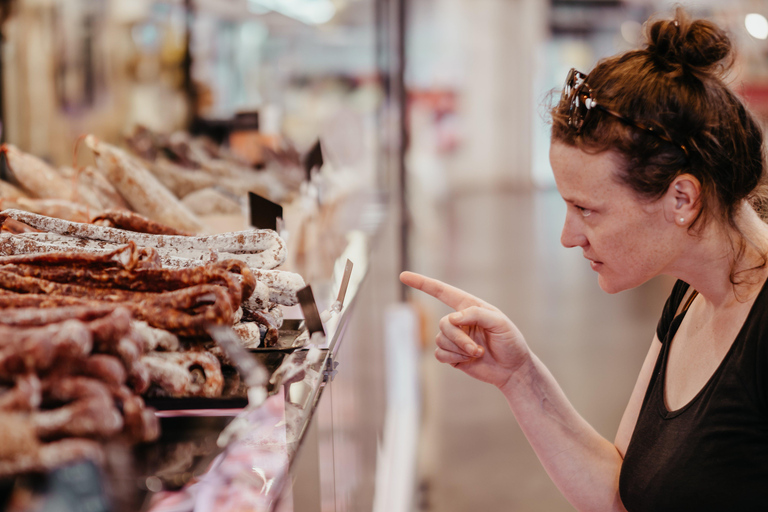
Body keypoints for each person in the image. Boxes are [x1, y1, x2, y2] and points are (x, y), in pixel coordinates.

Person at [401, 7, 768, 512]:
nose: (568, 237)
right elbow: (624, 493)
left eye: (586, 209)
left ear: (682, 199)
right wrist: (519, 377)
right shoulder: (691, 296)